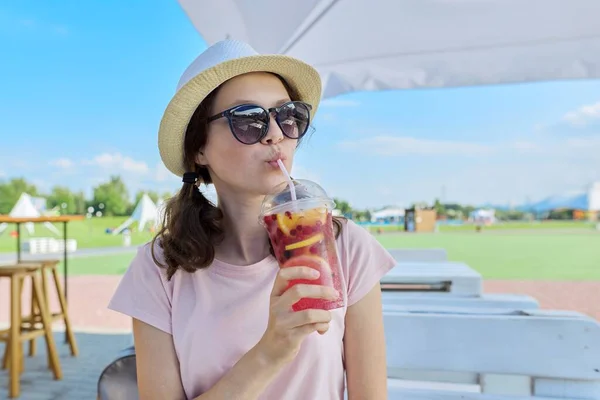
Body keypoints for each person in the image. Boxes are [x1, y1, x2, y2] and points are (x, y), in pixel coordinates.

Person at [108, 40, 396, 400]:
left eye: (288, 116)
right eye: (248, 120)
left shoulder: (345, 246)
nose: (276, 134)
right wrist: (272, 350)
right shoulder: (160, 268)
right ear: (199, 149)